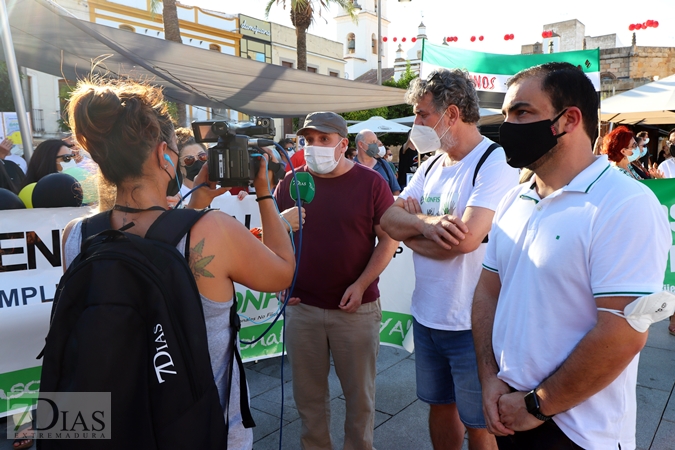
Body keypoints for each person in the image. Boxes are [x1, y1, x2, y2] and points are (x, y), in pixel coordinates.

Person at [61, 79, 295, 450]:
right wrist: (264, 192)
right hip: (202, 431)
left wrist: (196, 199)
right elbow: (284, 269)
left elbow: (155, 248)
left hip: (116, 427)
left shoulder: (77, 235)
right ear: (162, 155)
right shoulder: (213, 230)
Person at [472, 62, 670, 449]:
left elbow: (622, 332)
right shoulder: (515, 198)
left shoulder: (625, 203)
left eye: (522, 112)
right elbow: (487, 292)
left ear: (568, 120)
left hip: (579, 431)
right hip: (509, 407)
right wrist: (490, 377)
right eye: (507, 113)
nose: (506, 126)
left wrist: (537, 405)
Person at [380, 69, 518, 450]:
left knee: (479, 423)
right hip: (426, 316)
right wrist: (426, 226)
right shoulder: (430, 164)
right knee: (439, 407)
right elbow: (387, 219)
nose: (416, 123)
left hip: (470, 323)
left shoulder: (494, 161)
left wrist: (411, 228)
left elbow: (466, 239)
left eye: (423, 114)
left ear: (452, 114)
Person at [274, 111, 399, 450]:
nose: (314, 147)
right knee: (308, 401)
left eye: (323, 140)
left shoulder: (372, 183)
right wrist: (280, 277)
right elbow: (274, 243)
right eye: (308, 140)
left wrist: (360, 285)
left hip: (355, 311)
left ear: (343, 144)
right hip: (302, 308)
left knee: (360, 400)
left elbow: (389, 240)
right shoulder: (290, 182)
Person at [354, 129, 401, 195]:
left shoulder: (384, 164)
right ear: (361, 144)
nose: (376, 146)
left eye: (376, 142)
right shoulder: (350, 167)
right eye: (373, 142)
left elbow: (396, 191)